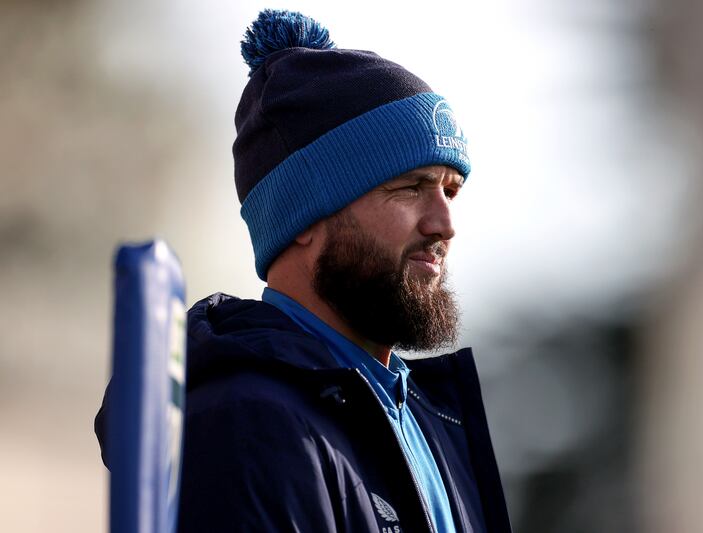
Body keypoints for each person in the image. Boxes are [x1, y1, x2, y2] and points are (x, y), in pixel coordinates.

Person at [96, 9, 511, 533]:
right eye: (409, 186)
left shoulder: (423, 420)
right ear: (303, 217)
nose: (444, 223)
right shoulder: (246, 424)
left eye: (450, 190)